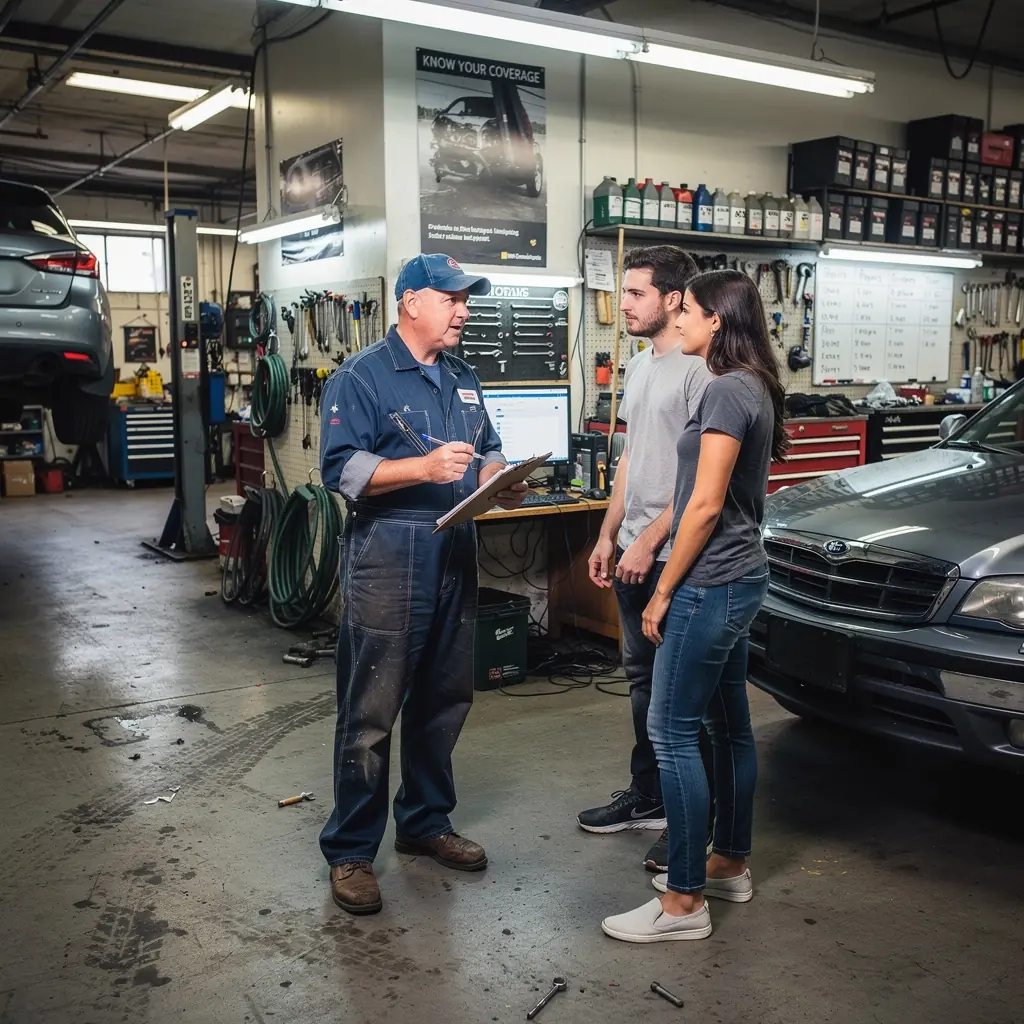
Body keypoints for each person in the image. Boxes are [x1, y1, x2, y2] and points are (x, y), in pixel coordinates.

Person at [318, 253, 527, 916]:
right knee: (371, 711)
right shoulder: (362, 375)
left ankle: (425, 822)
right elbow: (341, 469)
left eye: (467, 299)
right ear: (410, 301)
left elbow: (487, 444)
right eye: (451, 297)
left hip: (456, 544)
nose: (463, 309)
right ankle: (351, 850)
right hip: (389, 546)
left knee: (443, 699)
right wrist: (422, 467)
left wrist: (500, 478)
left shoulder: (464, 376)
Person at [600, 269, 789, 943]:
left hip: (710, 582)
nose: (677, 320)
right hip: (739, 577)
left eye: (689, 311)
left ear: (717, 322)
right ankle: (728, 862)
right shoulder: (751, 385)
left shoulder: (725, 392)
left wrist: (666, 587)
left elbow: (703, 506)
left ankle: (683, 902)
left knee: (672, 732)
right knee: (729, 726)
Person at [578, 245, 713, 875]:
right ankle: (651, 797)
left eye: (635, 294)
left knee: (681, 698)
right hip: (633, 545)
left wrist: (652, 539)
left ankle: (696, 821)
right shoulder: (638, 369)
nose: (623, 305)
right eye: (624, 292)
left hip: (673, 554)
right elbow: (631, 460)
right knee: (640, 683)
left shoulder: (700, 372)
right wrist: (609, 533)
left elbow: (698, 485)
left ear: (672, 298)